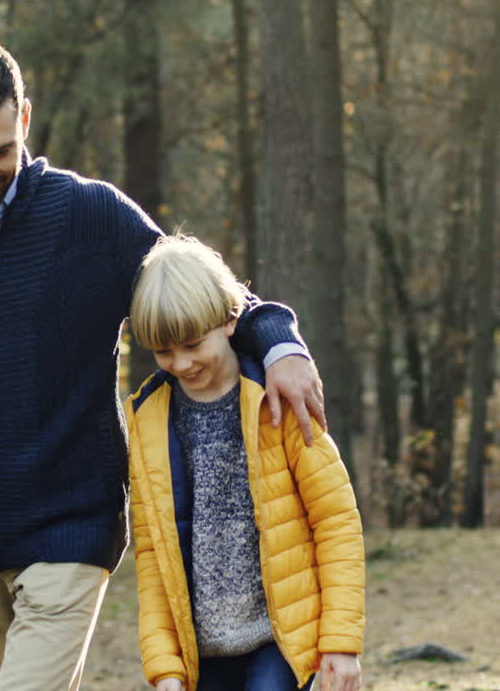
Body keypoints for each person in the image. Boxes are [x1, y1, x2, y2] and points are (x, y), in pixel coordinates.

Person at [0, 38, 326, 691]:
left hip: (71, 527)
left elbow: (211, 298)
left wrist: (282, 345)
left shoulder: (91, 216)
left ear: (25, 122)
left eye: (1, 153)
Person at [124, 235, 364, 691]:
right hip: (203, 654)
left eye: (194, 344)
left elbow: (335, 522)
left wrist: (341, 642)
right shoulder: (147, 419)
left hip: (281, 642)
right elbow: (153, 554)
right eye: (163, 351)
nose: (181, 363)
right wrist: (165, 667)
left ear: (232, 318)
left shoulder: (282, 400)